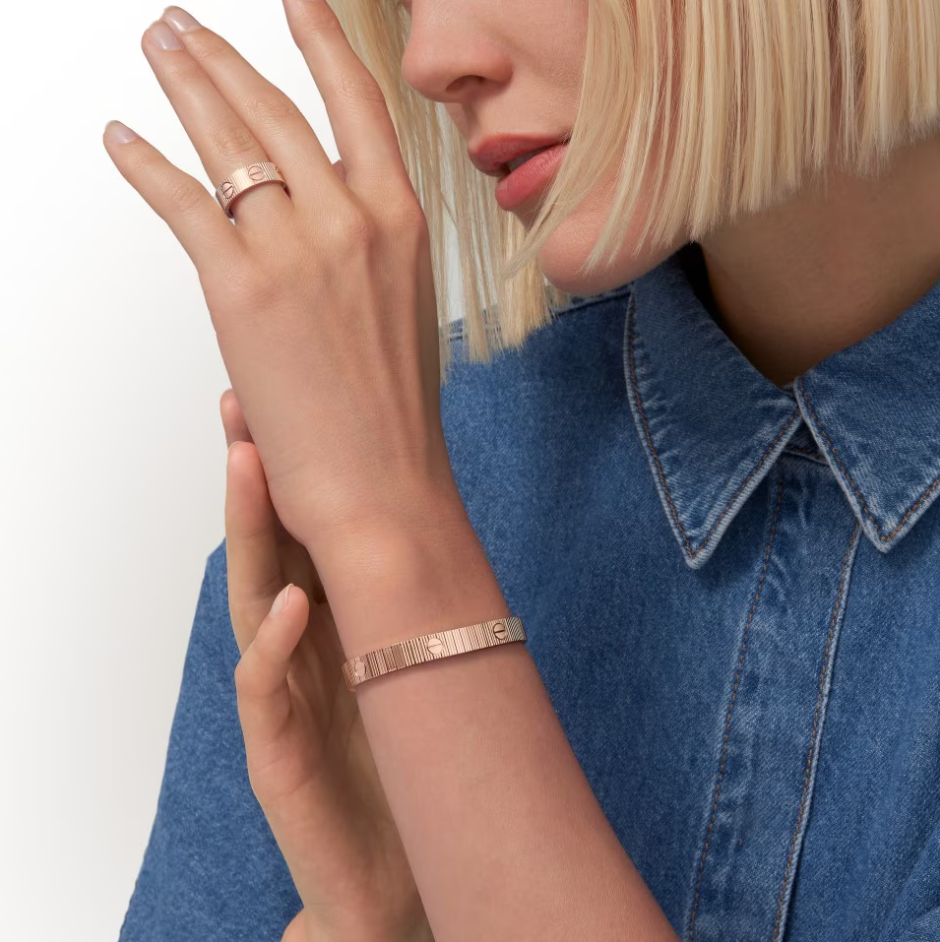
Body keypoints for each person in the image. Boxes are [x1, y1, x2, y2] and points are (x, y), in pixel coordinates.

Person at [111, 1, 940, 940]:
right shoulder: (384, 465)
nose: (429, 60)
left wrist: (399, 547)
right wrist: (377, 925)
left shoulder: (378, 496)